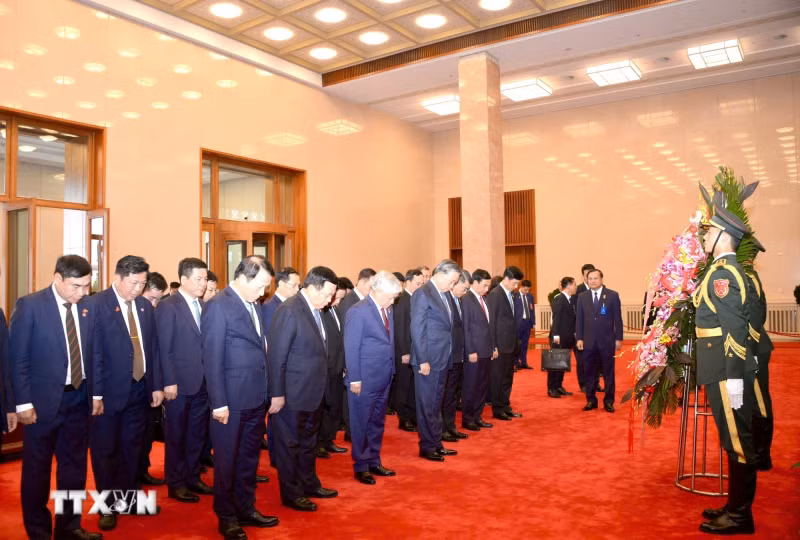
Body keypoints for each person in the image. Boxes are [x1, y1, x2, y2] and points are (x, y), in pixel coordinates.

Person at [11, 255, 102, 540]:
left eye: (87, 286)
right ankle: (38, 531)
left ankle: (69, 527)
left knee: (74, 469)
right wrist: (23, 403)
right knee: (37, 472)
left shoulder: (87, 307)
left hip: (79, 399)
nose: (82, 293)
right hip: (42, 405)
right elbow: (18, 359)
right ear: (58, 278)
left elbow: (94, 354)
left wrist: (96, 393)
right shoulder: (31, 306)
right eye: (76, 286)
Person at [695, 205, 760, 535]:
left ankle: (740, 516)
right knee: (733, 437)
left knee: (737, 439)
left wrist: (734, 377)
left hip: (724, 368)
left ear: (723, 236)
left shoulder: (722, 274)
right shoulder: (725, 270)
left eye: (709, 231)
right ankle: (735, 505)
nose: (705, 235)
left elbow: (734, 329)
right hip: (720, 365)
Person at [203, 255, 278, 539]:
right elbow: (211, 358)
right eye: (260, 286)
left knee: (248, 459)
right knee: (226, 462)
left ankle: (246, 508)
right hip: (230, 402)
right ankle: (227, 516)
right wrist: (219, 402)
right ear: (244, 277)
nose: (263, 293)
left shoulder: (253, 303)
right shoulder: (218, 306)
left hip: (255, 397)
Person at [90, 255, 163, 532]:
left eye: (142, 284)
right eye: (134, 283)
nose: (138, 289)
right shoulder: (96, 305)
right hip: (108, 393)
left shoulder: (144, 307)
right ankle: (108, 506)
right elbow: (93, 354)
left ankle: (129, 499)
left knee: (133, 448)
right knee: (106, 450)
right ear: (118, 277)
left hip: (140, 389)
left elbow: (152, 349)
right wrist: (95, 394)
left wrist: (155, 384)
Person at [267, 267, 339, 512]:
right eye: (328, 294)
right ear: (313, 286)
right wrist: (277, 393)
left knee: (309, 443)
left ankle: (309, 483)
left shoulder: (317, 311)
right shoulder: (289, 310)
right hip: (292, 394)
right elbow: (277, 357)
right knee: (289, 446)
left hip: (314, 392)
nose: (330, 300)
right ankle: (292, 493)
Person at [156, 258, 213, 504]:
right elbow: (164, 347)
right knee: (177, 435)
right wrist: (168, 381)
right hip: (178, 384)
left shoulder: (204, 305)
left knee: (196, 434)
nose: (203, 284)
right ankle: (176, 482)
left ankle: (192, 476)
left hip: (202, 382)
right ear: (185, 279)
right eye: (199, 279)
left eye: (205, 279)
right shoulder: (169, 306)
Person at [344, 271, 402, 484]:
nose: (393, 300)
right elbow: (351, 347)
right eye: (391, 295)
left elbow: (389, 343)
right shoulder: (358, 311)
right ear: (376, 291)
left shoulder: (388, 309)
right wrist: (355, 379)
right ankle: (361, 465)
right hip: (364, 380)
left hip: (384, 376)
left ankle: (374, 460)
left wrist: (392, 370)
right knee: (361, 423)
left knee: (377, 422)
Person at [411, 259, 461, 462]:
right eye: (451, 281)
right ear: (440, 275)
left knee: (435, 403)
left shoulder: (444, 294)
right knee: (427, 405)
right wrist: (422, 359)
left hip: (442, 357)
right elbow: (417, 328)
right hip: (428, 360)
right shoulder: (423, 293)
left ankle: (436, 442)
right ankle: (427, 446)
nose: (452, 286)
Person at [261, 267, 301, 468]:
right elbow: (271, 345)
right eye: (294, 285)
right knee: (276, 417)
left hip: (292, 371)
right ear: (282, 284)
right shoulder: (270, 307)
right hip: (275, 371)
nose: (297, 289)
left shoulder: (294, 306)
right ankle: (277, 457)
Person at [137, 270, 169, 488]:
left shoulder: (155, 313)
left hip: (151, 385)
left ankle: (142, 470)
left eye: (159, 299)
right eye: (151, 298)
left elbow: (158, 354)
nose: (155, 303)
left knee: (148, 431)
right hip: (130, 386)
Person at [576, 269, 622, 413]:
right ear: (586, 280)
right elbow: (579, 319)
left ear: (601, 279)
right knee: (589, 372)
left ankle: (609, 401)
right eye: (590, 278)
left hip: (607, 341)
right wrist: (579, 338)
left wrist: (619, 338)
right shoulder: (582, 297)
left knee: (608, 373)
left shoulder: (612, 296)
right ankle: (591, 400)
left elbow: (618, 319)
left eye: (596, 278)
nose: (593, 281)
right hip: (588, 342)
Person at [744, 248, 774, 472]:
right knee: (753, 400)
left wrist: (749, 349)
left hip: (752, 346)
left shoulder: (748, 277)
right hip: (751, 345)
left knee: (758, 402)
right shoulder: (748, 276)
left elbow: (756, 317)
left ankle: (762, 454)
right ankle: (757, 451)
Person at [488, 266, 524, 421]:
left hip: (510, 344)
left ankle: (505, 405)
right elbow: (492, 322)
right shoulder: (495, 294)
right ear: (506, 279)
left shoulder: (512, 295)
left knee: (508, 378)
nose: (516, 286)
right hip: (499, 346)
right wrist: (493, 345)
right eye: (514, 283)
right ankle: (498, 409)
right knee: (498, 378)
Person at [460, 269, 495, 432]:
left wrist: (493, 346)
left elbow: (489, 326)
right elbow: (466, 328)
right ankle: (468, 419)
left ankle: (477, 416)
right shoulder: (466, 299)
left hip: (486, 350)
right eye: (484, 285)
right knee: (471, 386)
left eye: (488, 285)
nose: (487, 289)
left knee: (482, 385)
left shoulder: (484, 299)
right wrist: (470, 350)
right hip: (474, 352)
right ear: (474, 282)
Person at [317, 280, 348, 458]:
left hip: (337, 366)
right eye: (336, 298)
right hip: (326, 368)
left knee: (335, 406)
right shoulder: (321, 312)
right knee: (324, 408)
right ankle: (319, 443)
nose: (337, 302)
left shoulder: (335, 310)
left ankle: (329, 440)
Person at [393, 268, 423, 432]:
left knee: (413, 386)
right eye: (417, 283)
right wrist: (404, 351)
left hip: (416, 351)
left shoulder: (416, 299)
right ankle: (403, 418)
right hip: (405, 352)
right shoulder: (401, 300)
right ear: (408, 282)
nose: (420, 286)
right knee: (403, 386)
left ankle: (412, 416)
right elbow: (400, 328)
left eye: (422, 283)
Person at [442, 270, 470, 442]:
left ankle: (451, 426)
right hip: (449, 355)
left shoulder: (459, 301)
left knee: (454, 394)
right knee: (446, 394)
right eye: (464, 288)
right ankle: (443, 428)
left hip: (459, 354)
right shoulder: (446, 301)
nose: (465, 292)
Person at [548, 277, 577, 398]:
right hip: (558, 337)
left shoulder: (569, 299)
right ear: (569, 286)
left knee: (562, 362)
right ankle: (552, 388)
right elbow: (556, 319)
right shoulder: (559, 299)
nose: (576, 287)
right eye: (574, 285)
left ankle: (559, 386)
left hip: (567, 337)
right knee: (555, 363)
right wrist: (555, 336)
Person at [575, 263, 595, 392]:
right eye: (587, 275)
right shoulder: (578, 290)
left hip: (596, 332)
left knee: (595, 359)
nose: (590, 278)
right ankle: (583, 384)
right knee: (582, 360)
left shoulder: (600, 289)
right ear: (583, 276)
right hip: (582, 331)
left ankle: (595, 383)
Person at [514, 279, 535, 370]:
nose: (527, 291)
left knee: (525, 344)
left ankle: (524, 362)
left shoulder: (530, 296)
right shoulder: (514, 296)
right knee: (517, 344)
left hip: (527, 323)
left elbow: (532, 310)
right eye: (525, 289)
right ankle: (516, 362)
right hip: (518, 324)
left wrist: (533, 322)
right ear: (521, 286)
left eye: (528, 290)